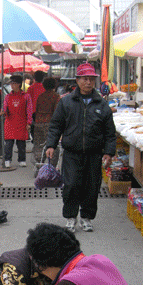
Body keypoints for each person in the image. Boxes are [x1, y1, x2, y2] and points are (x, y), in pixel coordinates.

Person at [45, 62, 116, 233]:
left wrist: (109, 152)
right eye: (84, 79)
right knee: (70, 185)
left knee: (91, 187)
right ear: (77, 80)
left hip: (94, 154)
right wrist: (51, 145)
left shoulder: (101, 104)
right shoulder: (66, 102)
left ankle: (86, 218)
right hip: (71, 153)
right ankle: (70, 217)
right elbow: (56, 125)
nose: (88, 82)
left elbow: (109, 131)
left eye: (91, 79)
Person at [2, 74, 33, 168]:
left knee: (21, 143)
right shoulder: (7, 96)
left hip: (21, 122)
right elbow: (4, 107)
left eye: (14, 83)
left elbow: (29, 110)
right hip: (10, 122)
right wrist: (3, 111)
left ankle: (22, 159)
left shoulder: (26, 96)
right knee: (8, 143)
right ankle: (7, 159)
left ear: (19, 84)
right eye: (11, 83)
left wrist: (29, 122)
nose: (12, 85)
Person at [32, 77, 60, 167]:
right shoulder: (55, 96)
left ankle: (39, 161)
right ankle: (50, 165)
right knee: (51, 144)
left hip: (38, 122)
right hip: (49, 122)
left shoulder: (41, 96)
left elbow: (36, 109)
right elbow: (57, 111)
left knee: (39, 143)